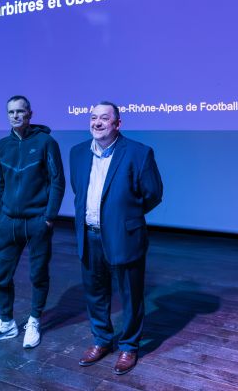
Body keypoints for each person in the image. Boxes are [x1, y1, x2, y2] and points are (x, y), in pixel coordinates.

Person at [70, 101, 163, 375]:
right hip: (89, 235)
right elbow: (79, 190)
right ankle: (101, 340)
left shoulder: (138, 152)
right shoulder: (77, 153)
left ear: (117, 124)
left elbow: (153, 194)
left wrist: (125, 216)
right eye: (93, 118)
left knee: (131, 295)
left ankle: (129, 346)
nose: (97, 123)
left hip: (124, 236)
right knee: (95, 292)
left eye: (104, 118)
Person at [0, 96, 65, 348]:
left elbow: (57, 181)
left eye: (20, 111)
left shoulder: (46, 142)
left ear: (30, 114)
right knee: (0, 274)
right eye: (11, 112)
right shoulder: (2, 145)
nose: (15, 116)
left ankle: (34, 321)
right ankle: (6, 323)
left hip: (37, 221)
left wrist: (49, 217)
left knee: (38, 274)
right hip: (8, 223)